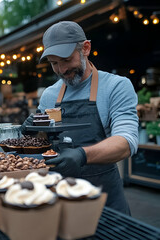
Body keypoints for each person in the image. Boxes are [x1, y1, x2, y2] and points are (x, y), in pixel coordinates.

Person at [21, 21, 138, 215]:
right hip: (59, 199)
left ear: (85, 48)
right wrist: (32, 134)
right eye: (54, 63)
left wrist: (82, 155)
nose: (61, 70)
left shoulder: (116, 86)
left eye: (66, 60)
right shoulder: (50, 95)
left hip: (105, 200)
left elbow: (126, 142)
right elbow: (43, 145)